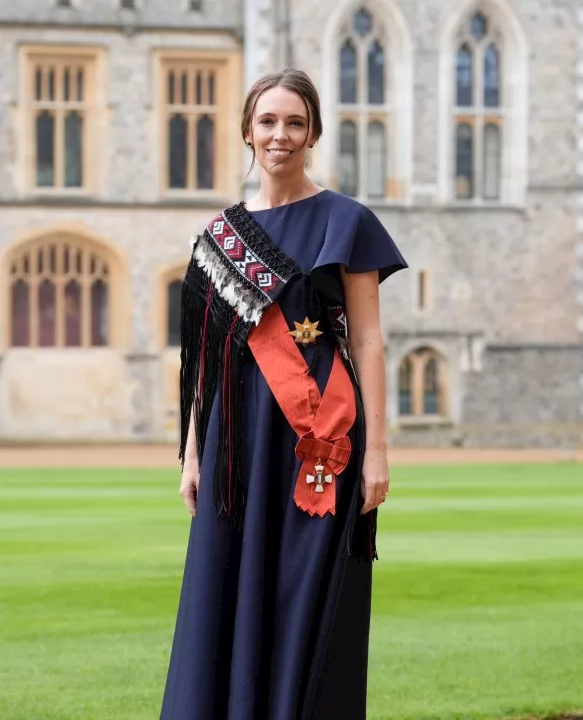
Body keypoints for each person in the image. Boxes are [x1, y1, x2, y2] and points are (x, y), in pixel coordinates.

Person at [160, 67, 407, 720]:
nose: (281, 134)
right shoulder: (218, 239)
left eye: (295, 122)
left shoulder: (346, 221)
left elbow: (370, 341)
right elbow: (206, 359)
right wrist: (191, 452)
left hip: (316, 447)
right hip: (235, 448)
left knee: (305, 602)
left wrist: (378, 452)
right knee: (226, 593)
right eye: (268, 121)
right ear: (247, 132)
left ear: (315, 132)